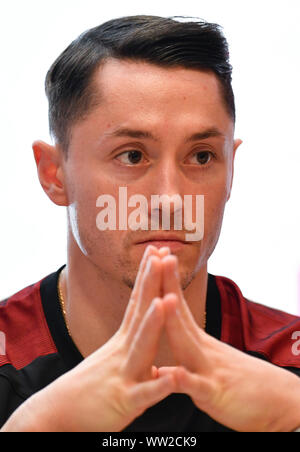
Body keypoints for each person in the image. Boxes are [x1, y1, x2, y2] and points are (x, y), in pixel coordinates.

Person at [1, 15, 300, 433]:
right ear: (54, 175)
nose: (170, 200)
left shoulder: (290, 371)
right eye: (133, 156)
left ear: (231, 171)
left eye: (201, 156)